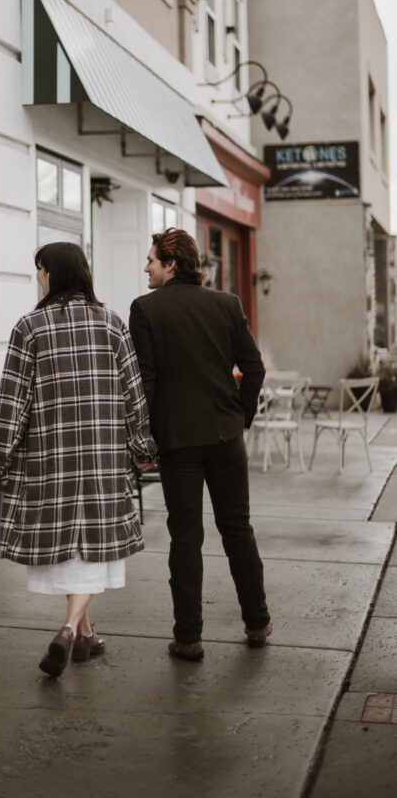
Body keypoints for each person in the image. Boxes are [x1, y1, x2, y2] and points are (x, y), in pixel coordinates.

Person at [0, 241, 157, 678]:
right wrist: (143, 448)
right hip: (101, 461)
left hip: (50, 461)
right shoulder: (113, 325)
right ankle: (80, 634)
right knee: (89, 550)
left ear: (52, 273)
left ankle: (71, 631)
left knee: (72, 551)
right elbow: (134, 397)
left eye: (39, 270)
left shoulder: (30, 327)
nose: (37, 278)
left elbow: (12, 403)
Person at [129, 228, 270, 662]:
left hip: (178, 442)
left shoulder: (145, 309)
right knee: (238, 529)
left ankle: (188, 637)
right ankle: (258, 622)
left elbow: (145, 383)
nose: (146, 266)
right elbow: (254, 369)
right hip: (225, 436)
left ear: (172, 264)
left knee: (185, 536)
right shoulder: (226, 304)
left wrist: (143, 438)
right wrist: (239, 417)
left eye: (152, 259)